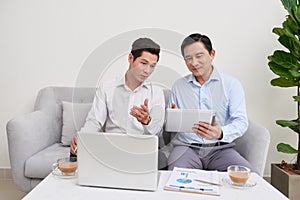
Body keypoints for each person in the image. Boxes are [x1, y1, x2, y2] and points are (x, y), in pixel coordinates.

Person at [167, 33, 255, 172]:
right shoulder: (179, 86)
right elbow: (170, 124)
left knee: (250, 176)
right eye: (188, 58)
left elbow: (241, 121)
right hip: (187, 148)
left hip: (220, 149)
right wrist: (174, 117)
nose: (194, 63)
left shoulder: (231, 85)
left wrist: (220, 133)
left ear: (212, 54)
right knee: (175, 175)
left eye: (199, 56)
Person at [70, 37, 165, 155]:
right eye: (144, 63)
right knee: (78, 154)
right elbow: (95, 121)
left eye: (152, 66)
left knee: (161, 159)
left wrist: (147, 121)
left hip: (142, 148)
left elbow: (158, 132)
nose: (147, 70)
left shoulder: (156, 92)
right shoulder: (107, 87)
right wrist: (82, 139)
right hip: (112, 146)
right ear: (131, 58)